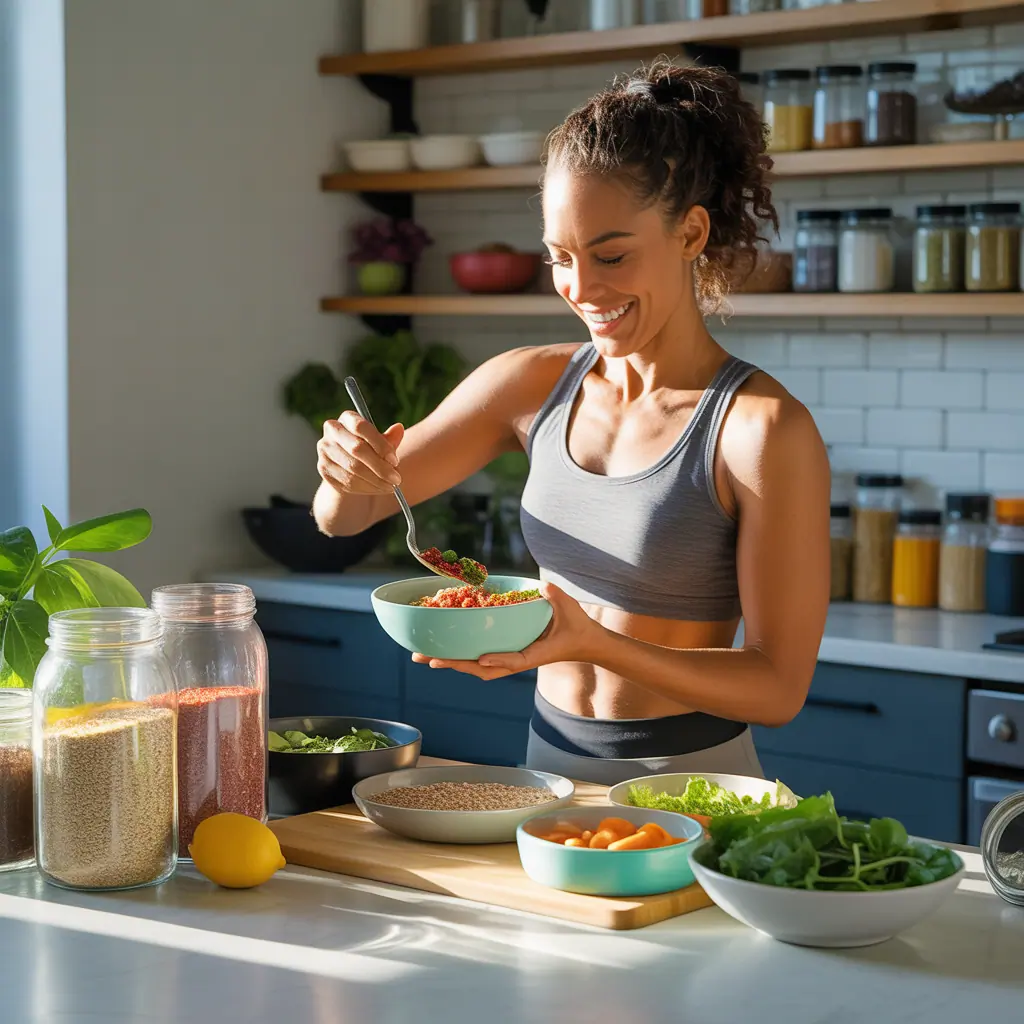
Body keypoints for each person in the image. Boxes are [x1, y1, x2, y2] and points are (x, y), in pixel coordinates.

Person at [312, 62, 831, 786]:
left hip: (693, 782)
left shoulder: (759, 429)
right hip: (548, 767)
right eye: (560, 258)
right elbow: (350, 515)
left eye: (611, 254)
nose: (582, 290)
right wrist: (345, 471)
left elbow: (778, 689)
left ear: (690, 232)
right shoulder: (528, 384)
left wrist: (594, 643)